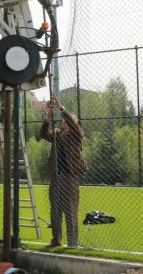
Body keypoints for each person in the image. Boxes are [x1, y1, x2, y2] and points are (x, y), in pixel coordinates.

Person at [39, 94, 88, 249]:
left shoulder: (76, 134)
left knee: (71, 210)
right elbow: (43, 134)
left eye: (69, 119)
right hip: (56, 177)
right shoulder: (57, 134)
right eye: (65, 119)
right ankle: (56, 239)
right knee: (55, 210)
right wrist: (47, 118)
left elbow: (75, 126)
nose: (65, 121)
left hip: (70, 176)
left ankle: (72, 242)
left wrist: (62, 108)